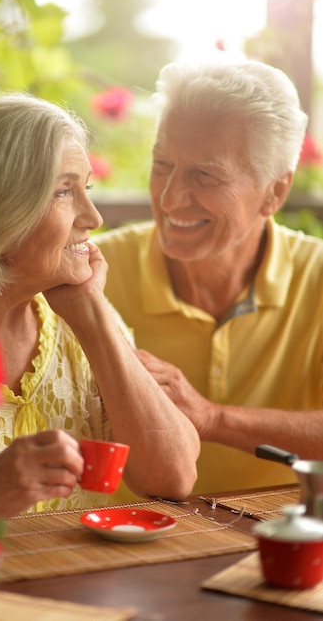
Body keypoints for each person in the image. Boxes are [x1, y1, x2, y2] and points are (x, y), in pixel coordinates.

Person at [0, 93, 200, 518]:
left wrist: (91, 314)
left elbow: (172, 477)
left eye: (87, 188)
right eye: (64, 191)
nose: (94, 217)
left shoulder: (74, 319)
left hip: (68, 579)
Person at [94, 55, 323, 496]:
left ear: (275, 191)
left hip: (273, 544)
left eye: (205, 175)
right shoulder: (92, 276)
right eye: (162, 165)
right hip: (119, 542)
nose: (172, 198)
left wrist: (213, 418)